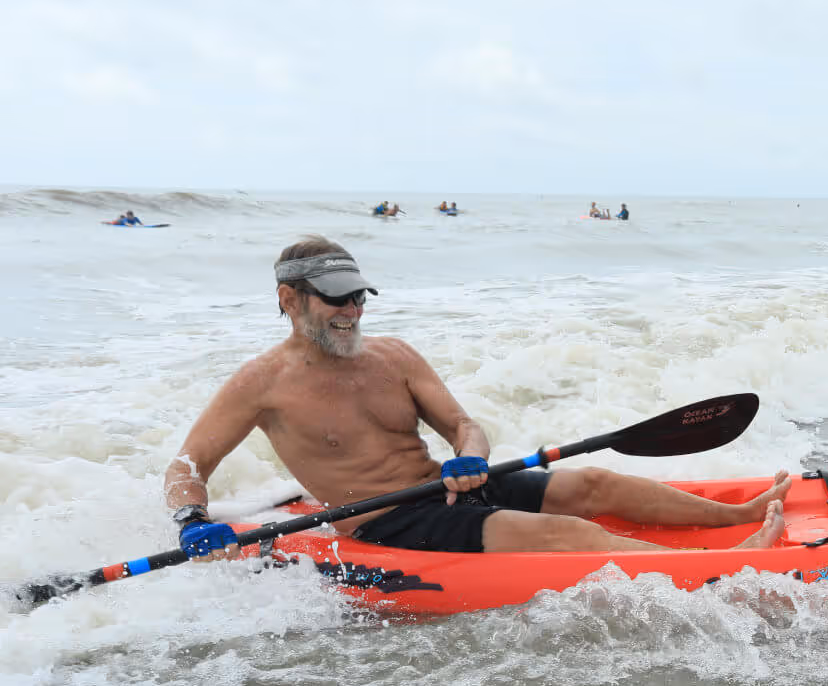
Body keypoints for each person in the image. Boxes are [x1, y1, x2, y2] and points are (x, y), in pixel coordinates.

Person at [161, 236, 788, 562]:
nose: (352, 310)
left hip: (447, 486)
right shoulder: (259, 384)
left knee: (594, 481)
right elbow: (187, 467)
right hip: (387, 520)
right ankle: (725, 566)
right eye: (336, 299)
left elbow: (463, 424)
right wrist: (192, 520)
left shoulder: (395, 356)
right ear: (288, 299)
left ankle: (736, 516)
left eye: (358, 297)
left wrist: (469, 454)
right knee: (561, 531)